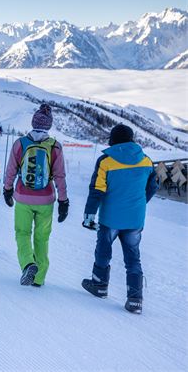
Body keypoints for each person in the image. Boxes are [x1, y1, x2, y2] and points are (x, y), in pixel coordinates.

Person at [80, 124, 157, 314]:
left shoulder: (106, 161)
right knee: (133, 258)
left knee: (104, 250)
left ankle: (99, 285)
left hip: (111, 218)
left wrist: (89, 215)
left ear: (113, 140)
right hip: (135, 219)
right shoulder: (146, 161)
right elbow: (153, 187)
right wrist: (139, 203)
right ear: (131, 139)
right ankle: (135, 299)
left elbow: (97, 190)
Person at [2, 104, 69, 287]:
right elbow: (60, 176)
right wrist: (63, 201)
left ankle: (28, 264)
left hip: (23, 198)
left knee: (22, 233)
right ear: (49, 125)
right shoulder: (55, 147)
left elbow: (11, 171)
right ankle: (39, 278)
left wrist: (7, 189)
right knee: (42, 237)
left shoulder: (20, 143)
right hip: (46, 199)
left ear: (33, 123)